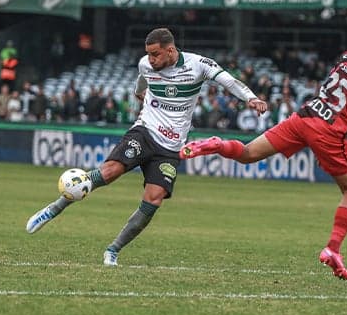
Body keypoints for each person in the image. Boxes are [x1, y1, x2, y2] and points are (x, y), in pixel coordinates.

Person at [179, 24, 347, 280]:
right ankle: (333, 249)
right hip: (329, 130)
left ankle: (216, 144)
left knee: (248, 153)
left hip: (304, 116)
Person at [25, 28, 267, 266]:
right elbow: (142, 80)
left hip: (171, 147)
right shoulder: (146, 64)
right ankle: (53, 209)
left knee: (154, 199)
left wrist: (251, 98)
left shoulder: (198, 65)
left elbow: (228, 81)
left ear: (170, 50)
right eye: (148, 55)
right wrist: (139, 93)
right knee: (110, 171)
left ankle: (113, 250)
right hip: (145, 131)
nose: (150, 60)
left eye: (155, 54)